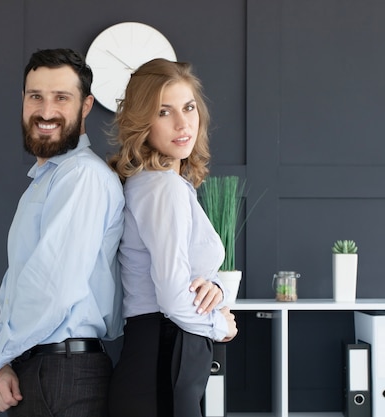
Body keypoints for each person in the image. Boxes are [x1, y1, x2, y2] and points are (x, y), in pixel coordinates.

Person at [0, 48, 225, 417]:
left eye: (61, 97)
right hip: (49, 368)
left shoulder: (83, 177)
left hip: (63, 372)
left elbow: (53, 289)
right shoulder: (62, 181)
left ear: (87, 105)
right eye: (35, 97)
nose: (46, 110)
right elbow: (31, 287)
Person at [107, 58, 239, 417]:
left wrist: (218, 289)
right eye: (164, 112)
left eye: (189, 107)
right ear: (141, 121)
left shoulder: (159, 183)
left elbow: (186, 277)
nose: (183, 124)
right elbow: (170, 295)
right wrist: (219, 325)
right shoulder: (163, 187)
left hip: (159, 355)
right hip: (164, 354)